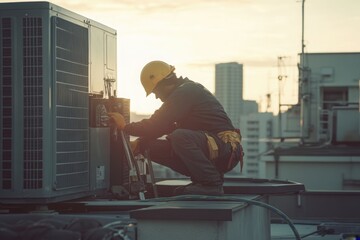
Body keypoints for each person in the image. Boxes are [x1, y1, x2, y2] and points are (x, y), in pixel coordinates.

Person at [108, 60, 243, 195]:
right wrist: (139, 145)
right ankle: (201, 181)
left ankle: (211, 184)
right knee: (148, 146)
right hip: (216, 150)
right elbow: (162, 127)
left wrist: (125, 127)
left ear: (163, 84)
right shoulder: (184, 93)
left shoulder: (186, 91)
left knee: (180, 137)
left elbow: (156, 124)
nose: (156, 97)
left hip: (226, 150)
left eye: (155, 91)